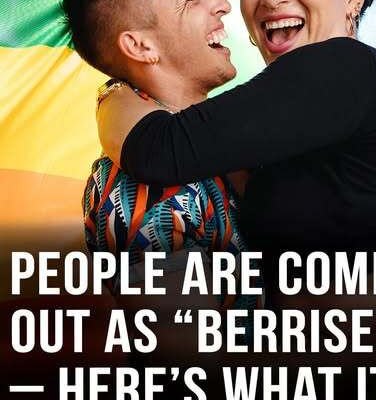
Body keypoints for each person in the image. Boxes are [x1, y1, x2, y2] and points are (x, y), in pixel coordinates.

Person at [96, 0, 376, 312]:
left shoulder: (344, 65)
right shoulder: (299, 130)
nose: (271, 0)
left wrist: (111, 95)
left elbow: (157, 149)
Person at [62, 0, 261, 377]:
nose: (222, 6)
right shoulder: (142, 192)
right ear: (141, 46)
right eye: (189, 2)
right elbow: (192, 376)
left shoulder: (212, 149)